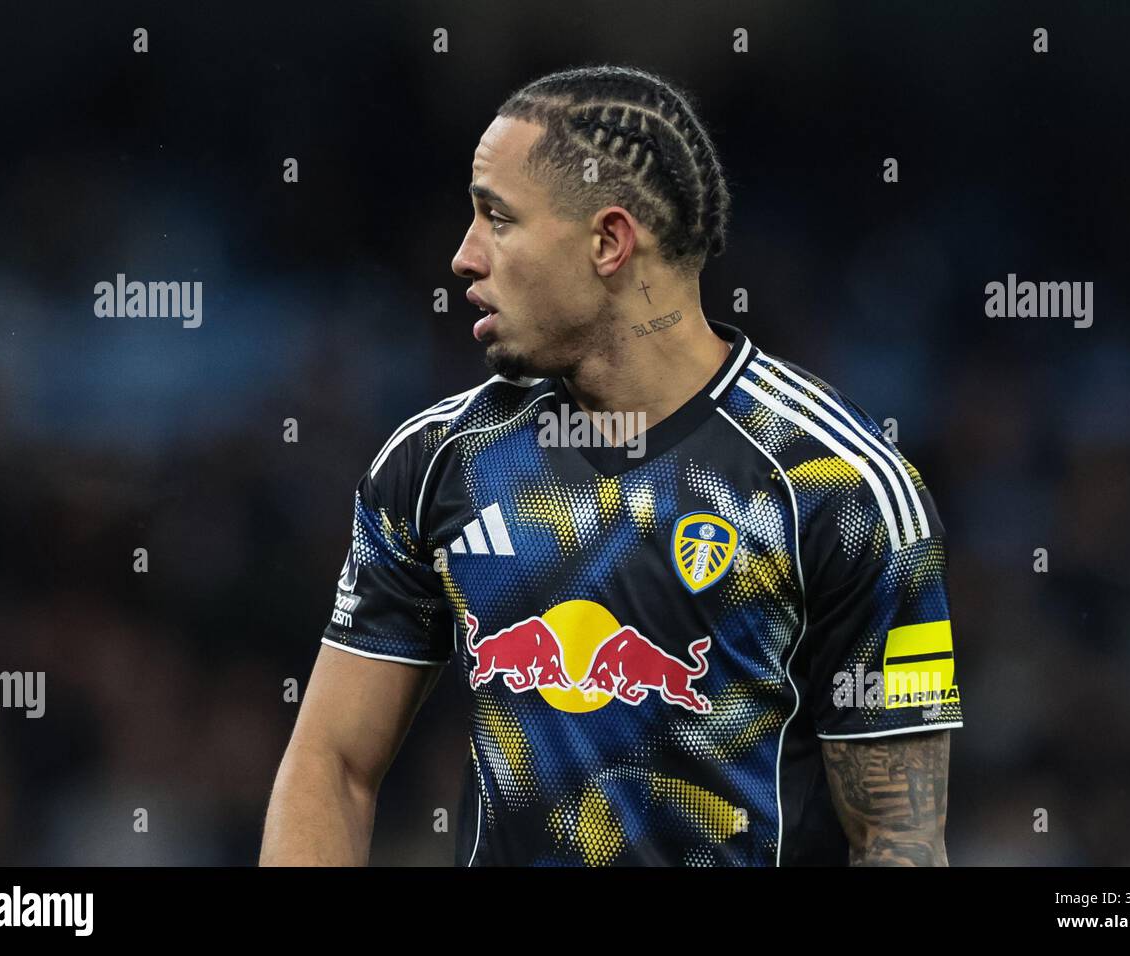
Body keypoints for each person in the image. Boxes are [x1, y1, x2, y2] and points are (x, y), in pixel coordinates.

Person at [261, 64, 963, 866]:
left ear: (608, 241)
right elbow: (332, 767)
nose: (462, 256)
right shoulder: (433, 465)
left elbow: (897, 840)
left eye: (498, 218)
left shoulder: (839, 490)